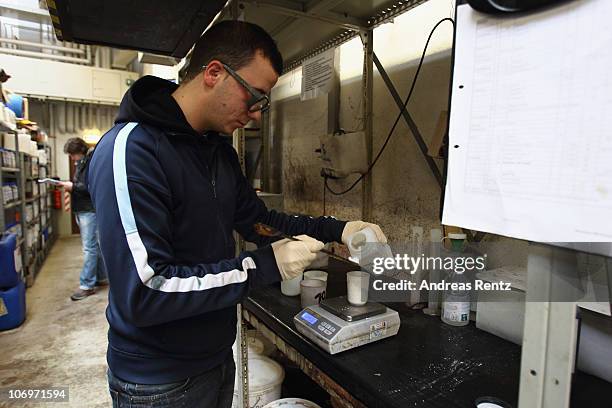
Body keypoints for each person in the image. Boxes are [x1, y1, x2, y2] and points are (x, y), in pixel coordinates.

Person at [88, 21, 387, 407]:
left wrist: (338, 228)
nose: (257, 115)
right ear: (214, 73)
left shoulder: (217, 152)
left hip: (215, 358)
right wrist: (264, 265)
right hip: (158, 381)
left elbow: (257, 220)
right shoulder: (132, 152)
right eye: (255, 96)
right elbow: (146, 292)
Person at [59, 137, 107, 301]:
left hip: (88, 210)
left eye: (73, 155)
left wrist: (72, 187)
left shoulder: (90, 162)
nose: (72, 158)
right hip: (83, 209)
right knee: (95, 247)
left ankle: (87, 285)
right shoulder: (81, 163)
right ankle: (101, 278)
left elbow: (90, 187)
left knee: (89, 248)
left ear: (79, 151)